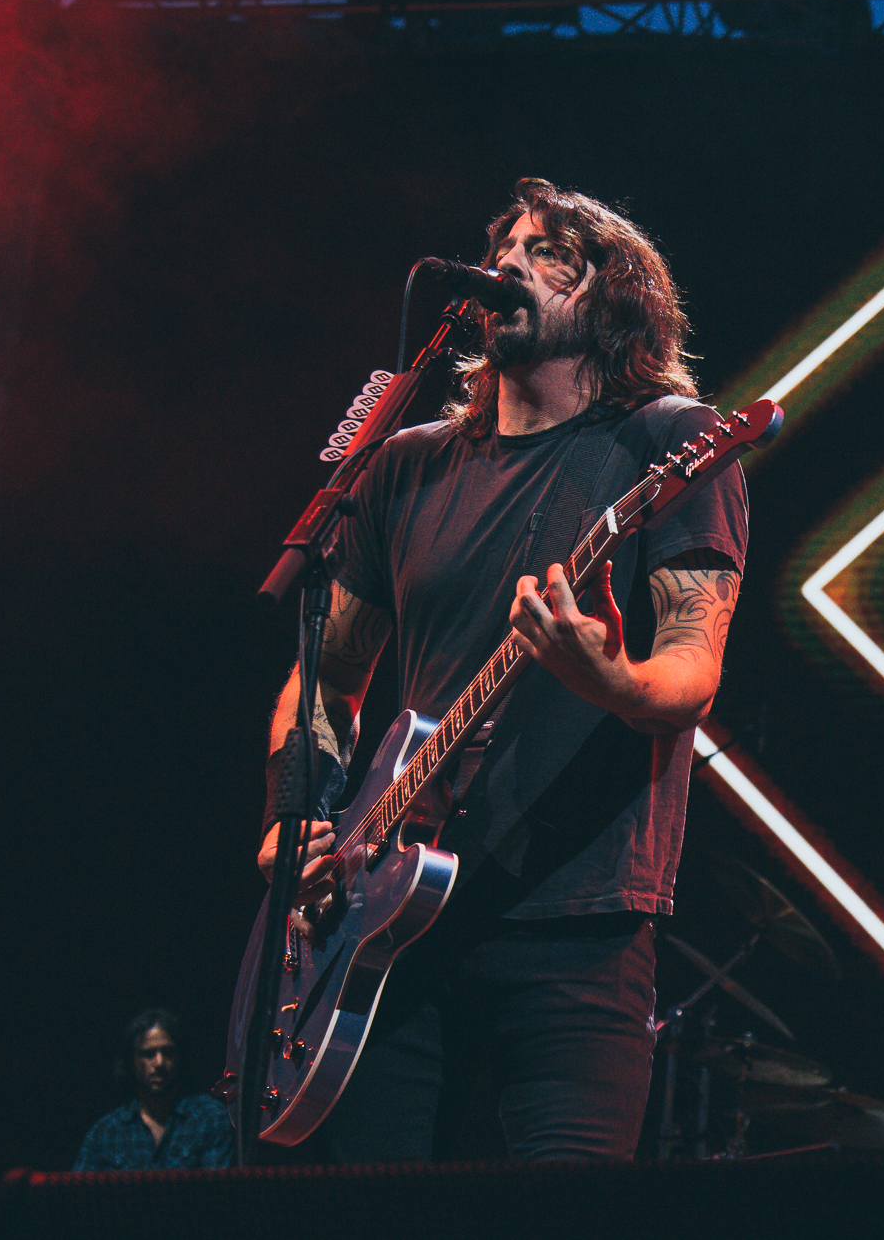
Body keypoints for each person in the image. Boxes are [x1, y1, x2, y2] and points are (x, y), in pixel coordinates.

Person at [255, 178, 747, 1162]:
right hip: (383, 928)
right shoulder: (406, 462)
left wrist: (609, 679)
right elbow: (328, 675)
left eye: (552, 251)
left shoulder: (671, 441)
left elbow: (691, 673)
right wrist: (294, 814)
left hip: (579, 924)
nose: (513, 260)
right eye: (507, 246)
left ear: (616, 300)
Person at [74, 1009, 233, 1171]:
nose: (159, 1063)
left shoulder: (209, 1118)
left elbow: (218, 1185)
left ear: (179, 1057)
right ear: (131, 1061)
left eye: (168, 1053)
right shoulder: (106, 1133)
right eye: (149, 1054)